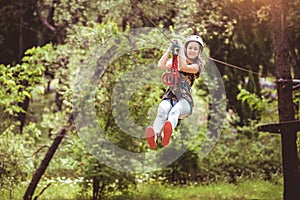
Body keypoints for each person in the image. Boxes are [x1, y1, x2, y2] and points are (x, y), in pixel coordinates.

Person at [145, 35, 205, 149]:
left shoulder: (197, 66)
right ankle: (154, 136)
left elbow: (183, 67)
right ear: (187, 49)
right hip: (170, 96)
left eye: (195, 49)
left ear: (199, 52)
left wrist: (181, 49)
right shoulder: (176, 61)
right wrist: (169, 49)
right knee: (162, 110)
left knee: (175, 111)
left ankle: (166, 133)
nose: (192, 50)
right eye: (190, 48)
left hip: (184, 101)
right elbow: (161, 65)